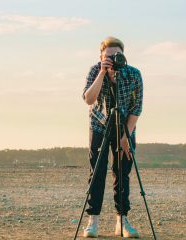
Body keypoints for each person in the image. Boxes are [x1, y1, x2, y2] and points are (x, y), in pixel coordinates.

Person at [81, 36, 143, 238]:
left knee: (122, 172)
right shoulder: (95, 70)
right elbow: (88, 99)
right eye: (107, 56)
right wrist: (102, 73)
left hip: (124, 125)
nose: (111, 59)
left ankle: (122, 220)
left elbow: (136, 108)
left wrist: (127, 135)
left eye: (116, 55)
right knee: (97, 172)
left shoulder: (133, 74)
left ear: (123, 56)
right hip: (98, 124)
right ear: (100, 56)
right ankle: (93, 222)